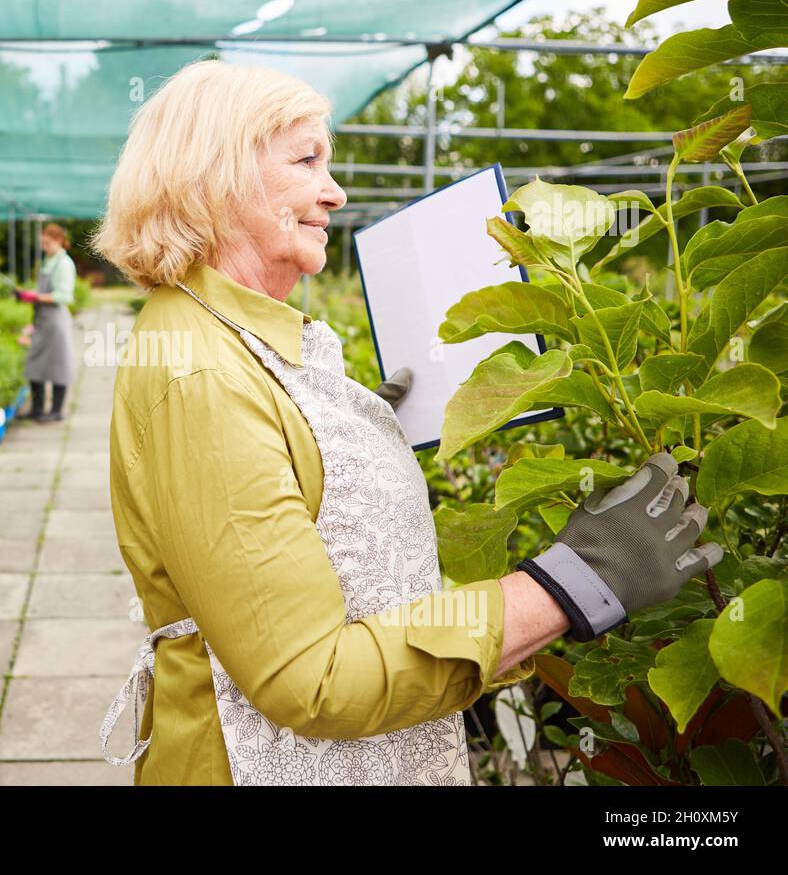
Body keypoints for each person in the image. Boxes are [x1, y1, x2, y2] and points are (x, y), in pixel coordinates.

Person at [88, 59, 722, 786]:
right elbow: (312, 677)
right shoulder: (201, 376)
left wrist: (346, 430)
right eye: (306, 160)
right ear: (216, 177)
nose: (335, 191)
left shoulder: (229, 337)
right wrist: (572, 582)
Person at [19, 222, 77, 423]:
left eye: (48, 243)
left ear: (59, 241)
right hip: (43, 320)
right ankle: (36, 408)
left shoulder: (64, 264)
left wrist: (35, 297)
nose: (44, 246)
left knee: (58, 365)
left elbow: (63, 295)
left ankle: (56, 410)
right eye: (42, 243)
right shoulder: (49, 260)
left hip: (56, 321)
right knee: (35, 364)